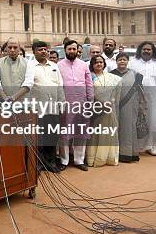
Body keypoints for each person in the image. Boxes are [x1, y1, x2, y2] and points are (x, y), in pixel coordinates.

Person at [57, 40, 94, 171]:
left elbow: (89, 84)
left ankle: (79, 160)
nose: (72, 51)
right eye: (69, 49)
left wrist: (90, 101)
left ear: (78, 51)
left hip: (82, 103)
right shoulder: (58, 65)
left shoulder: (84, 65)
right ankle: (64, 160)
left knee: (81, 133)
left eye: (74, 49)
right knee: (64, 134)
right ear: (65, 50)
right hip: (65, 104)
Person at [31, 41, 64, 173]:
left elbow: (60, 86)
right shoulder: (30, 67)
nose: (43, 51)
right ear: (34, 52)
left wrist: (62, 103)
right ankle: (39, 163)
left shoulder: (54, 66)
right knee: (39, 137)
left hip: (53, 107)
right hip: (37, 108)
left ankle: (50, 162)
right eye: (40, 49)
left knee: (52, 135)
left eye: (45, 49)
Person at [130, 41, 156, 156]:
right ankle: (137, 146)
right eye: (144, 49)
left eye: (149, 49)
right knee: (137, 121)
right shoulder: (133, 63)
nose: (146, 51)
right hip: (136, 96)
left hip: (153, 97)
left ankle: (151, 146)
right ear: (140, 50)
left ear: (153, 51)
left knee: (152, 122)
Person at [86, 55, 121, 167]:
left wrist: (110, 101)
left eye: (101, 62)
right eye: (96, 62)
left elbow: (115, 94)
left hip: (109, 109)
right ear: (92, 64)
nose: (99, 64)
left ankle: (108, 158)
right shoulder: (89, 77)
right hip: (95, 110)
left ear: (104, 64)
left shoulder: (111, 77)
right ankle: (93, 158)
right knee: (95, 134)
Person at [111, 53, 144, 162]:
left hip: (130, 105)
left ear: (127, 61)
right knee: (115, 129)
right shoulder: (111, 74)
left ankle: (129, 154)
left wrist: (141, 105)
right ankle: (114, 154)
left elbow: (140, 91)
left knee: (129, 129)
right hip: (114, 106)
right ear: (116, 61)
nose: (122, 62)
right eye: (120, 60)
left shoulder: (134, 74)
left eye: (124, 60)